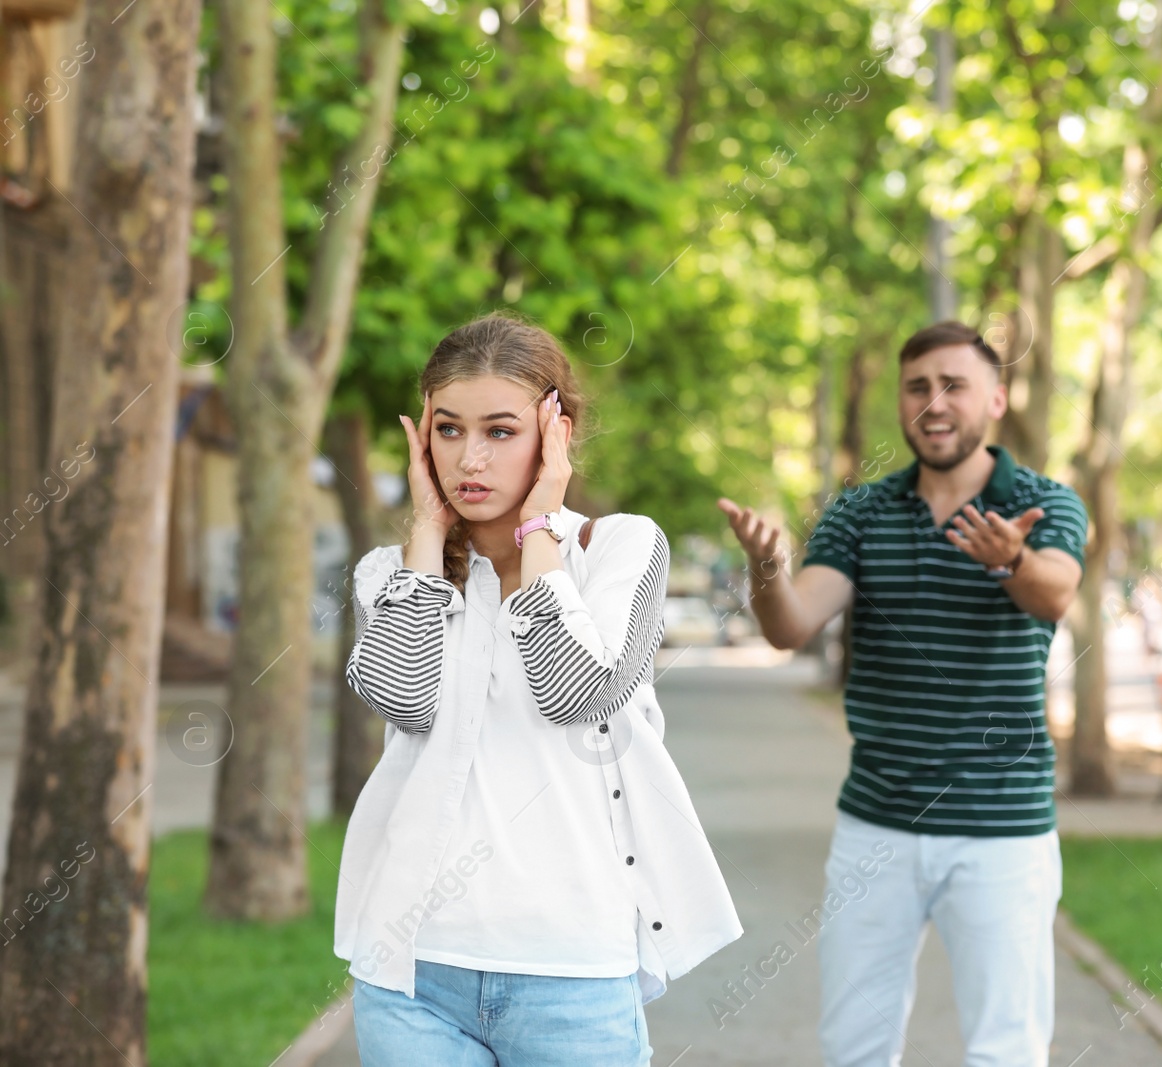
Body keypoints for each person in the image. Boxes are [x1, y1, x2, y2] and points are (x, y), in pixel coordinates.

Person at [336, 313, 741, 1065]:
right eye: (449, 430)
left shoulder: (621, 548)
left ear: (556, 432)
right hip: (412, 972)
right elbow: (403, 698)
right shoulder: (388, 575)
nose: (470, 458)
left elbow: (576, 692)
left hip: (573, 975)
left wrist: (538, 531)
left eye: (500, 430)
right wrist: (426, 532)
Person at [719, 321, 1089, 1067]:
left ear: (996, 398)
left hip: (1002, 829)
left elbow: (1054, 595)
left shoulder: (1043, 502)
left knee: (1006, 1050)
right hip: (877, 826)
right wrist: (765, 568)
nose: (935, 401)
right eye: (918, 386)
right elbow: (792, 625)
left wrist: (1011, 557)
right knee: (854, 1046)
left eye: (955, 384)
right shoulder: (860, 514)